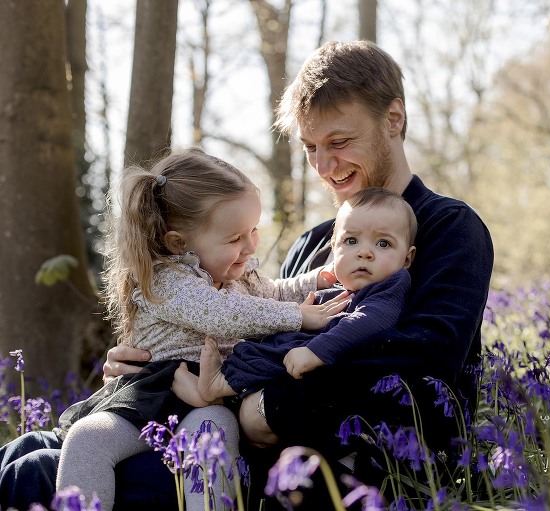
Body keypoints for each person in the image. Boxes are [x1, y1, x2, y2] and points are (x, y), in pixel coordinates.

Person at [0, 40, 494, 509]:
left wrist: (261, 407)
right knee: (26, 448)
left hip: (331, 466)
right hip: (209, 420)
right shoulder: (316, 243)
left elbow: (422, 363)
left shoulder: (448, 229)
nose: (325, 165)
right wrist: (152, 363)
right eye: (310, 148)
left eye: (340, 142)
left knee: (36, 472)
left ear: (394, 119)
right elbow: (250, 329)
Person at [2, 148, 349, 511]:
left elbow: (275, 291)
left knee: (211, 440)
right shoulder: (166, 280)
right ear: (179, 242)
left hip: (212, 395)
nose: (250, 246)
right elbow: (220, 315)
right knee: (87, 440)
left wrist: (320, 278)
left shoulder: (237, 275)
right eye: (234, 239)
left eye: (253, 231)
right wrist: (298, 316)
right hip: (153, 394)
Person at [173, 188, 416, 446]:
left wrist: (316, 351)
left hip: (323, 363)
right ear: (334, 249)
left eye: (383, 243)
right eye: (351, 241)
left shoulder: (390, 286)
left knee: (273, 355)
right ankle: (218, 386)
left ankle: (218, 387)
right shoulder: (336, 288)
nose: (365, 253)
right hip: (296, 359)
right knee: (259, 349)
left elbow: (370, 321)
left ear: (407, 259)